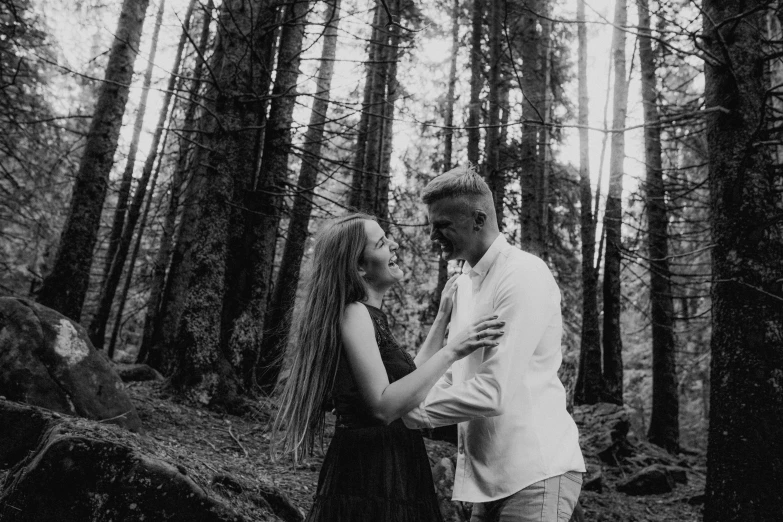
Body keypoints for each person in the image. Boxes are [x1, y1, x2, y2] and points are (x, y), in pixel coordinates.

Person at [272, 213, 505, 522]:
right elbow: (383, 406)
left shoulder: (369, 316)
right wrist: (453, 350)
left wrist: (442, 319)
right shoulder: (353, 313)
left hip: (391, 463)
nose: (394, 244)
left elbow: (407, 384)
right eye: (382, 243)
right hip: (369, 471)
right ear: (359, 267)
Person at [402, 165, 586, 522]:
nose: (431, 238)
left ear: (478, 219)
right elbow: (454, 376)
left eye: (442, 226)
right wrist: (408, 395)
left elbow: (492, 392)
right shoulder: (465, 285)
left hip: (535, 474)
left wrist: (407, 412)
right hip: (488, 484)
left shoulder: (522, 274)